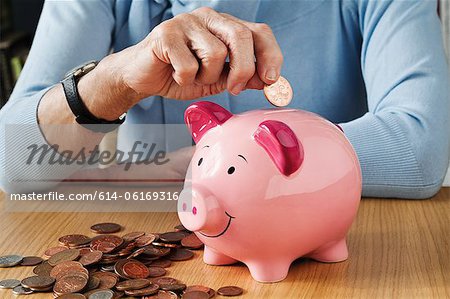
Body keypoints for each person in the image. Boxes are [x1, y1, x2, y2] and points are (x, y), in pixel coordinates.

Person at [0, 0, 448, 198]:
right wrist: (116, 78)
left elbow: (418, 150)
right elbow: (11, 160)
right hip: (170, 247)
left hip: (329, 252)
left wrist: (197, 165)